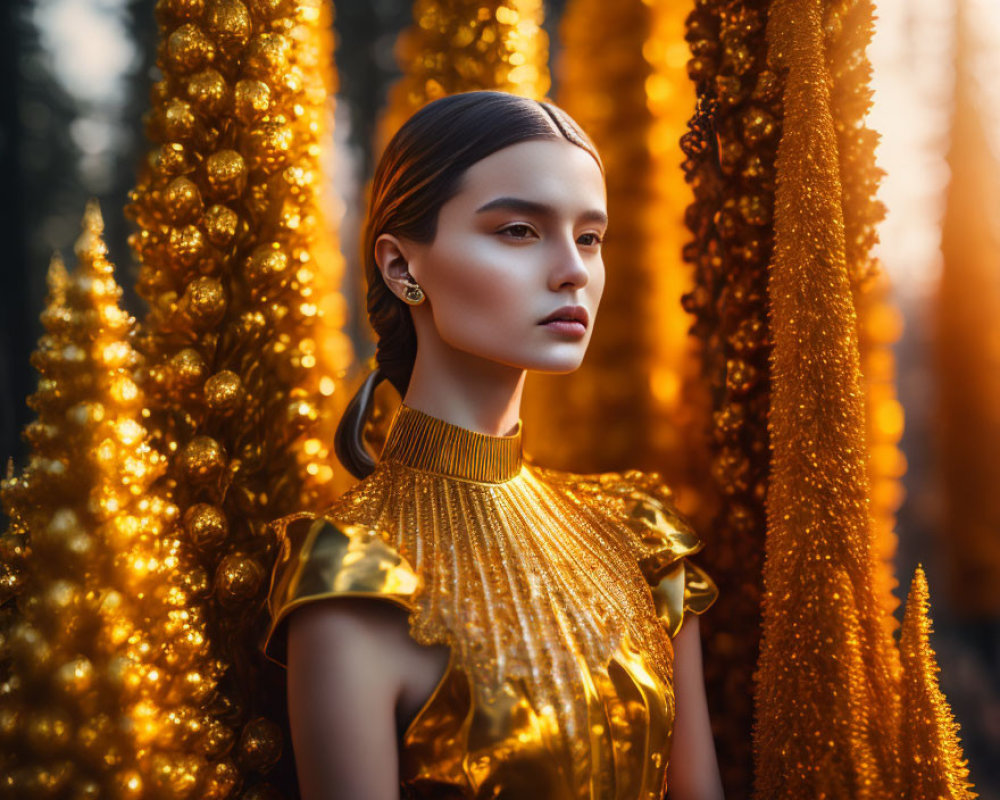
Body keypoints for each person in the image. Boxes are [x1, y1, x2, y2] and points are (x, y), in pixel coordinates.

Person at [261, 90, 723, 800]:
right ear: (400, 268)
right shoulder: (355, 579)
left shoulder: (642, 540)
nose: (572, 269)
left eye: (591, 237)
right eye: (518, 230)